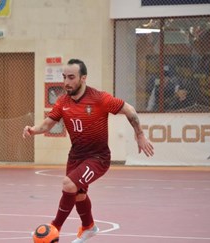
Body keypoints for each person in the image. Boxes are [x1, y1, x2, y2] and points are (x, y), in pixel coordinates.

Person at [23, 59, 154, 243]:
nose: (66, 82)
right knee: (78, 195)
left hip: (98, 157)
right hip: (76, 156)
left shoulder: (100, 98)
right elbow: (47, 124)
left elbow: (130, 110)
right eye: (64, 77)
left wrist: (139, 134)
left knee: (69, 184)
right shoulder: (62, 102)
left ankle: (54, 228)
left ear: (83, 78)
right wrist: (33, 129)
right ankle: (89, 227)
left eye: (71, 77)